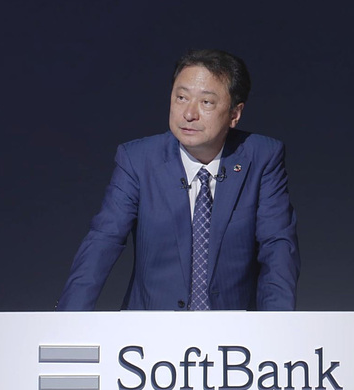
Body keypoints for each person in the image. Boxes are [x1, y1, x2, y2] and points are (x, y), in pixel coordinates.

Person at [56, 49, 300, 311]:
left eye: (206, 102)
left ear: (234, 113)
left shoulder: (261, 157)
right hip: (151, 327)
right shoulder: (138, 160)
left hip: (232, 328)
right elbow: (103, 240)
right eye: (181, 98)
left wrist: (277, 326)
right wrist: (67, 321)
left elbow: (277, 247)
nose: (189, 114)